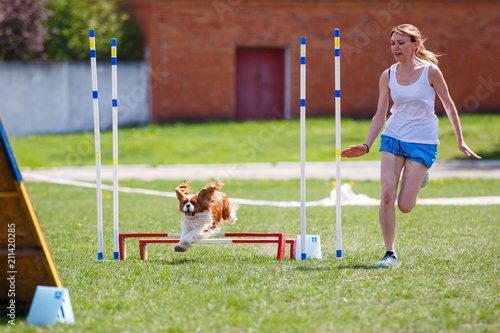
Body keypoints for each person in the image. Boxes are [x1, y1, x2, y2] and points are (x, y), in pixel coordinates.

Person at [340, 24, 481, 268]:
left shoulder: (431, 72)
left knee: (405, 206)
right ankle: (389, 253)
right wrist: (367, 144)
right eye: (393, 43)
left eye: (401, 43)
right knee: (386, 193)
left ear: (415, 44)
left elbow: (448, 105)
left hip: (423, 140)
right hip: (393, 136)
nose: (395, 48)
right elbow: (379, 115)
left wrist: (460, 140)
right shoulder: (388, 75)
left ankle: (420, 176)